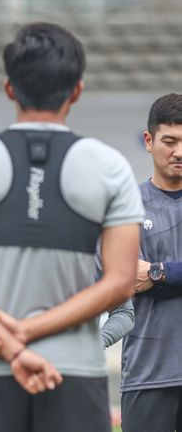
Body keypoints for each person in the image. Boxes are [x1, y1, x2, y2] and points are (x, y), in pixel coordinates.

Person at [0, 22, 144, 432]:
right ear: (77, 90)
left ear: (9, 88)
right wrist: (29, 330)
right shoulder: (111, 166)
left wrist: (11, 343)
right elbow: (119, 282)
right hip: (74, 367)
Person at [119, 93, 182, 432]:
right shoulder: (125, 207)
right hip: (147, 375)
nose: (180, 152)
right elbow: (124, 280)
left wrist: (158, 272)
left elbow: (145, 277)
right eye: (169, 141)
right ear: (149, 140)